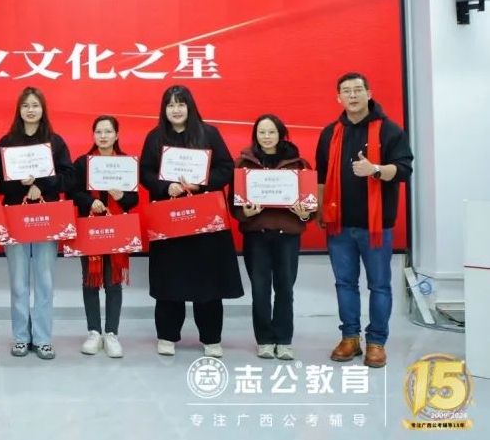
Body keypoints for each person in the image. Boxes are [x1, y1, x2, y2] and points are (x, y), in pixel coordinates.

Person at [316, 72, 413, 368]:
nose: (353, 95)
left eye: (358, 89)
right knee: (344, 284)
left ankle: (376, 342)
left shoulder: (390, 131)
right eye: (346, 91)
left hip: (376, 227)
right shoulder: (330, 133)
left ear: (369, 94)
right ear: (339, 98)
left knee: (379, 285)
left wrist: (375, 170)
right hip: (339, 225)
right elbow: (321, 177)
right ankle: (350, 337)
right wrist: (320, 210)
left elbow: (404, 169)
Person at [139, 85, 243, 358]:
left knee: (207, 281)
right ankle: (167, 335)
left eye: (180, 104)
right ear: (164, 109)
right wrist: (166, 187)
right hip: (169, 219)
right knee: (169, 278)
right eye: (170, 105)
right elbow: (145, 173)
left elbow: (226, 168)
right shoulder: (155, 137)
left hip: (204, 221)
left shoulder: (209, 133)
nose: (176, 110)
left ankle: (211, 338)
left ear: (190, 107)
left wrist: (201, 184)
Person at [0, 86, 76, 360]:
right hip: (15, 217)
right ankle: (20, 337)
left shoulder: (55, 142)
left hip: (46, 218)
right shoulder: (6, 143)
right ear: (19, 110)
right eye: (26, 105)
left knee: (45, 281)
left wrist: (42, 184)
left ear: (43, 110)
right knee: (18, 282)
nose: (30, 110)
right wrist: (21, 184)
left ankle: (42, 338)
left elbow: (68, 178)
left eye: (35, 105)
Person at [232, 114, 314, 361]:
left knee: (285, 289)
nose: (266, 137)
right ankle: (265, 340)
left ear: (281, 134)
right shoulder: (243, 164)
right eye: (262, 132)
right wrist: (245, 213)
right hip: (257, 236)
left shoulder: (299, 165)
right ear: (255, 135)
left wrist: (304, 213)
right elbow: (234, 205)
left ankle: (284, 340)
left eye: (271, 132)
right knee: (260, 290)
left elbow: (310, 207)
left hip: (287, 236)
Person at [70, 115, 139, 358]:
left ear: (117, 135)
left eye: (108, 131)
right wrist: (90, 202)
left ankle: (111, 333)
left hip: (117, 229)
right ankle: (93, 332)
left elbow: (134, 199)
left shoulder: (126, 163)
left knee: (113, 282)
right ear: (93, 135)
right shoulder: (82, 163)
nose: (103, 136)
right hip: (90, 229)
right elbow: (73, 192)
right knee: (90, 281)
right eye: (98, 131)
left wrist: (122, 197)